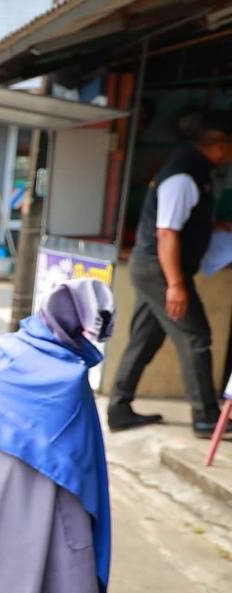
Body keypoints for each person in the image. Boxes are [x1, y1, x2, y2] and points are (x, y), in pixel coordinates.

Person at [108, 113, 232, 439]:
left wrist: (212, 226)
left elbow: (181, 221)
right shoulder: (183, 175)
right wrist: (176, 285)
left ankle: (119, 408)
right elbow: (166, 233)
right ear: (219, 146)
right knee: (196, 337)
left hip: (154, 268)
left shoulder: (196, 170)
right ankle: (206, 418)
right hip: (160, 270)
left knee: (145, 339)